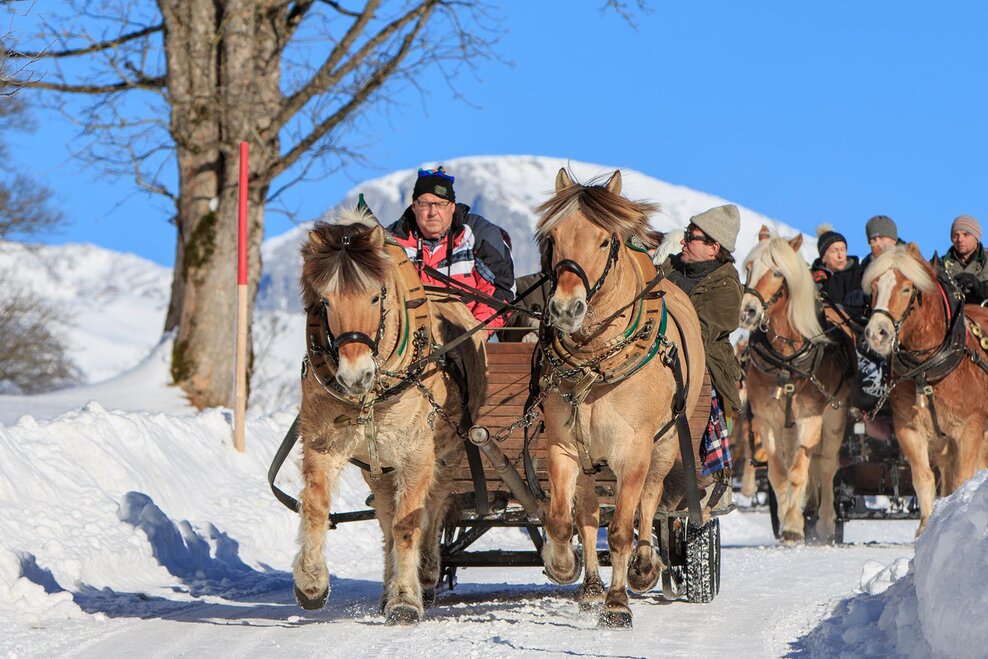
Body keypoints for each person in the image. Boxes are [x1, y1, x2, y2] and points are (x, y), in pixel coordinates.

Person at [658, 204, 743, 477]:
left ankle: (702, 469)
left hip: (704, 367)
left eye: (690, 236)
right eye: (686, 233)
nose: (683, 240)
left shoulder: (727, 288)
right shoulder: (668, 268)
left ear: (713, 247)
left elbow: (698, 335)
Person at [387, 166, 515, 332]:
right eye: (425, 204)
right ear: (414, 207)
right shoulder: (390, 243)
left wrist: (478, 331)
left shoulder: (478, 234)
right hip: (408, 340)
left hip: (467, 336)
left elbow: (500, 290)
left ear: (452, 207)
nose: (432, 212)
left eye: (440, 204)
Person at [811, 224, 862, 307]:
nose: (840, 256)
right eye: (834, 251)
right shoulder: (812, 279)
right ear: (823, 257)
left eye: (843, 250)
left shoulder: (859, 275)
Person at [940, 214, 988, 304]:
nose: (960, 239)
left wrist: (980, 287)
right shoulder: (940, 265)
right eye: (955, 235)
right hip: (953, 316)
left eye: (966, 234)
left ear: (976, 238)